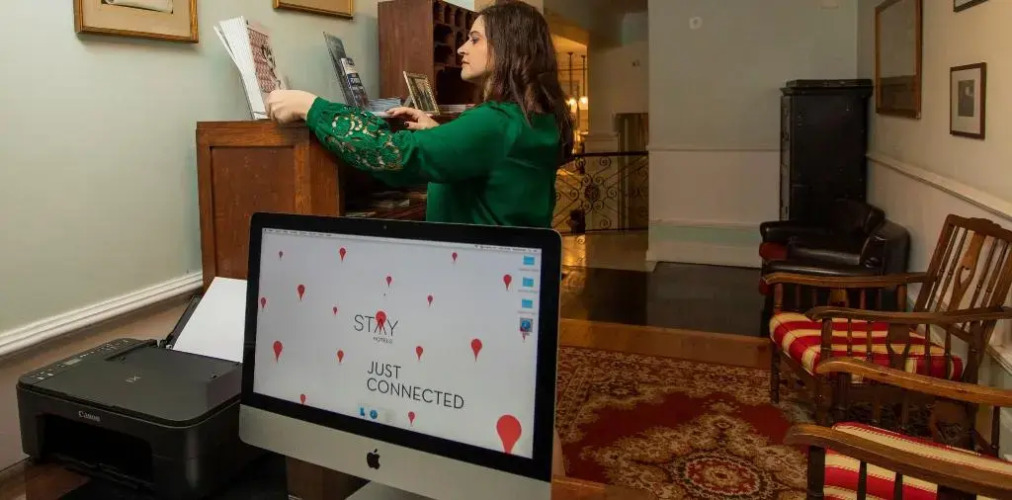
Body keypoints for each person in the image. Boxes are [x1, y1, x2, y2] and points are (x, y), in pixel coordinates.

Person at [265, 0, 572, 477]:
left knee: (496, 402)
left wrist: (311, 106)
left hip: (479, 288)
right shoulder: (537, 118)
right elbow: (489, 159)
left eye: (475, 38)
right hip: (517, 283)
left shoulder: (497, 122)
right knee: (525, 401)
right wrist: (438, 131)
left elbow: (392, 154)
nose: (464, 48)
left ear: (509, 46)